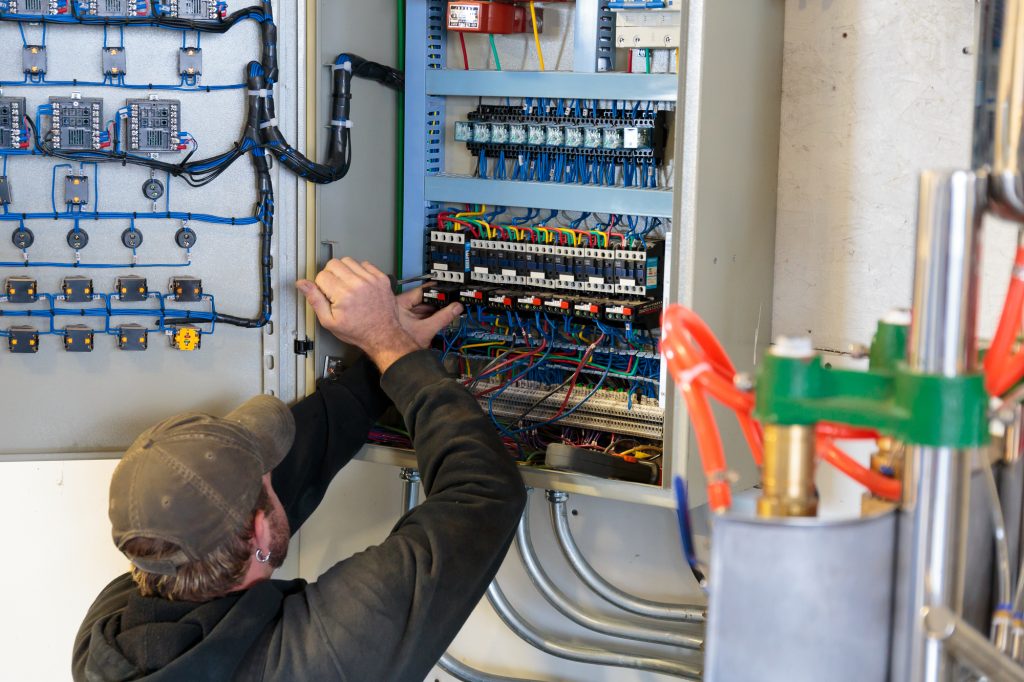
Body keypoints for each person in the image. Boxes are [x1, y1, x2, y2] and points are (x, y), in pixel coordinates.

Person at [72, 257, 528, 681]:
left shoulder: (106, 641)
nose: (278, 475)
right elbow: (485, 494)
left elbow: (250, 506)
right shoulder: (320, 656)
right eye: (267, 476)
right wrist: (393, 347)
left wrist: (382, 355)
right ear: (258, 531)